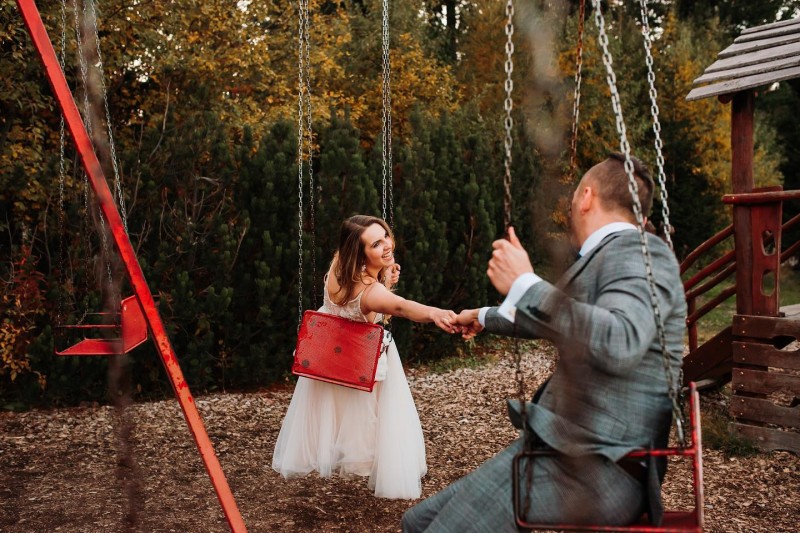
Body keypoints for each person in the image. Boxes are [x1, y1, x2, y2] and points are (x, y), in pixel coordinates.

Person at [402, 153, 687, 531]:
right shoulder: (610, 254)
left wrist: (525, 283)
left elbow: (620, 341)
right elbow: (565, 318)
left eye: (574, 196)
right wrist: (483, 316)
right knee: (417, 521)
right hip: (567, 451)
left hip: (599, 467)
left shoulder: (640, 252)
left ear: (586, 197)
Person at [272, 214, 459, 500]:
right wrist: (435, 313)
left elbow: (365, 294)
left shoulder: (338, 266)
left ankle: (343, 454)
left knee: (336, 414)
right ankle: (375, 465)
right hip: (361, 358)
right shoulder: (371, 292)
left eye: (385, 236)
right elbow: (401, 307)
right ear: (360, 254)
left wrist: (383, 273)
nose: (387, 245)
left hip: (332, 354)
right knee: (376, 417)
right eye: (376, 244)